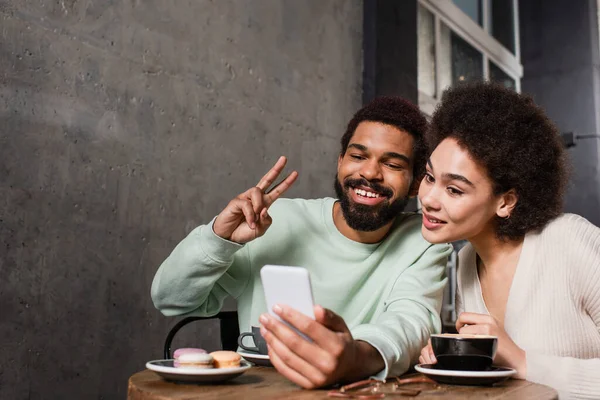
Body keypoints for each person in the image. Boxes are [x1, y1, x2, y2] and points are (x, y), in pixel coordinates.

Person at [151, 97, 452, 388]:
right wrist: (219, 238)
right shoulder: (275, 221)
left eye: (393, 165)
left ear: (415, 183)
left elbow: (411, 322)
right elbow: (171, 299)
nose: (370, 172)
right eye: (358, 156)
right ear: (340, 162)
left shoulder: (424, 240)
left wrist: (352, 357)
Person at [417, 82, 600, 399]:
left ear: (505, 202)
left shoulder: (569, 240)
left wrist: (520, 360)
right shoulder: (465, 263)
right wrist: (453, 363)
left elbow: (515, 363)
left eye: (454, 189)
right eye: (430, 177)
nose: (429, 199)